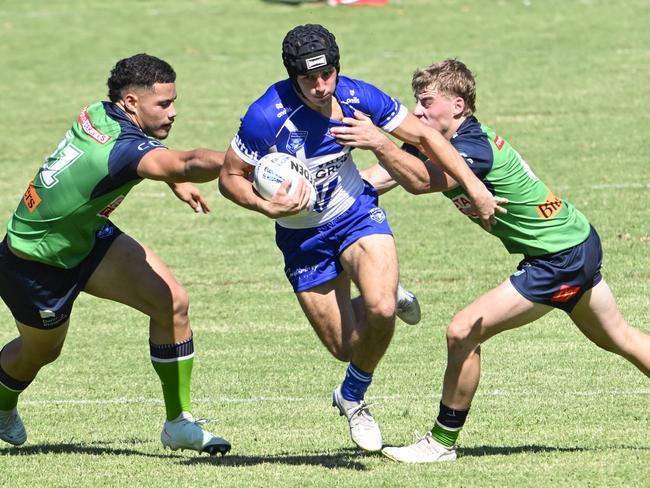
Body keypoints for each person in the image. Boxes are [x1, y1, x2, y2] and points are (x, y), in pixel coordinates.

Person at [330, 58, 650, 462]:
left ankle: (441, 444)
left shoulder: (472, 149)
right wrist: (326, 197)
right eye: (416, 102)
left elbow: (419, 181)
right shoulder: (433, 140)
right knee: (620, 338)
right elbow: (386, 175)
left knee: (462, 331)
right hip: (573, 242)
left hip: (559, 258)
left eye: (427, 102)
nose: (418, 112)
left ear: (458, 106)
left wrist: (378, 140)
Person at [218, 25, 503, 452]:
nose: (320, 86)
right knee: (343, 345)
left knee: (382, 307)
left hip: (355, 215)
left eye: (327, 74)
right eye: (308, 79)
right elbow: (229, 177)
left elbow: (424, 136)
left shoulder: (357, 96)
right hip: (303, 240)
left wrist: (474, 187)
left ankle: (352, 397)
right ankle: (376, 299)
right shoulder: (265, 116)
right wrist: (266, 206)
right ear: (291, 76)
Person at [0, 53, 231, 456]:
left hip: (88, 238)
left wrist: (172, 180)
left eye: (173, 101)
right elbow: (185, 161)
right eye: (163, 104)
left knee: (172, 302)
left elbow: (146, 158)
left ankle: (178, 423)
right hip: (35, 263)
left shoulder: (98, 112)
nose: (173, 112)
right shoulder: (120, 152)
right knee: (41, 352)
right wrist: (241, 163)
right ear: (130, 102)